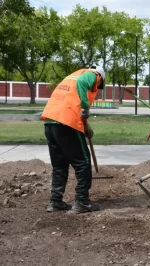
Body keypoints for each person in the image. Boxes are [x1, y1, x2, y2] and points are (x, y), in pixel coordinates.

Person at [41, 65, 105, 213]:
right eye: (100, 84)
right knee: (83, 162)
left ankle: (55, 201)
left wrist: (86, 129)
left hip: (51, 122)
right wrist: (85, 107)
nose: (97, 86)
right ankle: (82, 201)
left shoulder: (71, 76)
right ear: (100, 77)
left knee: (60, 165)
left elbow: (69, 101)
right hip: (67, 122)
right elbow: (83, 83)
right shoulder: (92, 74)